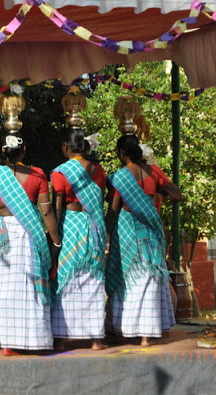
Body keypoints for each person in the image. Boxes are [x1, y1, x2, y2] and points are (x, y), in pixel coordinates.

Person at [0, 134, 61, 356]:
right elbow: (47, 211)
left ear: (4, 152)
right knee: (31, 285)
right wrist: (56, 240)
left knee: (5, 289)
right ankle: (34, 340)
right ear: (24, 151)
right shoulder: (38, 175)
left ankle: (8, 343)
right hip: (29, 233)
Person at [106, 134, 183, 346]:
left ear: (121, 153)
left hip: (128, 232)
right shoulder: (155, 172)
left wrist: (105, 234)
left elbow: (113, 211)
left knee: (127, 280)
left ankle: (124, 330)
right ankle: (148, 336)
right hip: (152, 233)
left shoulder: (119, 177)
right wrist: (155, 191)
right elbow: (178, 195)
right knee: (150, 280)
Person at [51, 129, 107, 351]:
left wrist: (54, 237)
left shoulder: (60, 173)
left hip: (70, 225)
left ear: (66, 146)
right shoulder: (98, 170)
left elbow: (56, 207)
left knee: (66, 278)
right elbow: (100, 199)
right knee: (93, 279)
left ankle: (61, 337)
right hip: (93, 225)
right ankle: (95, 339)